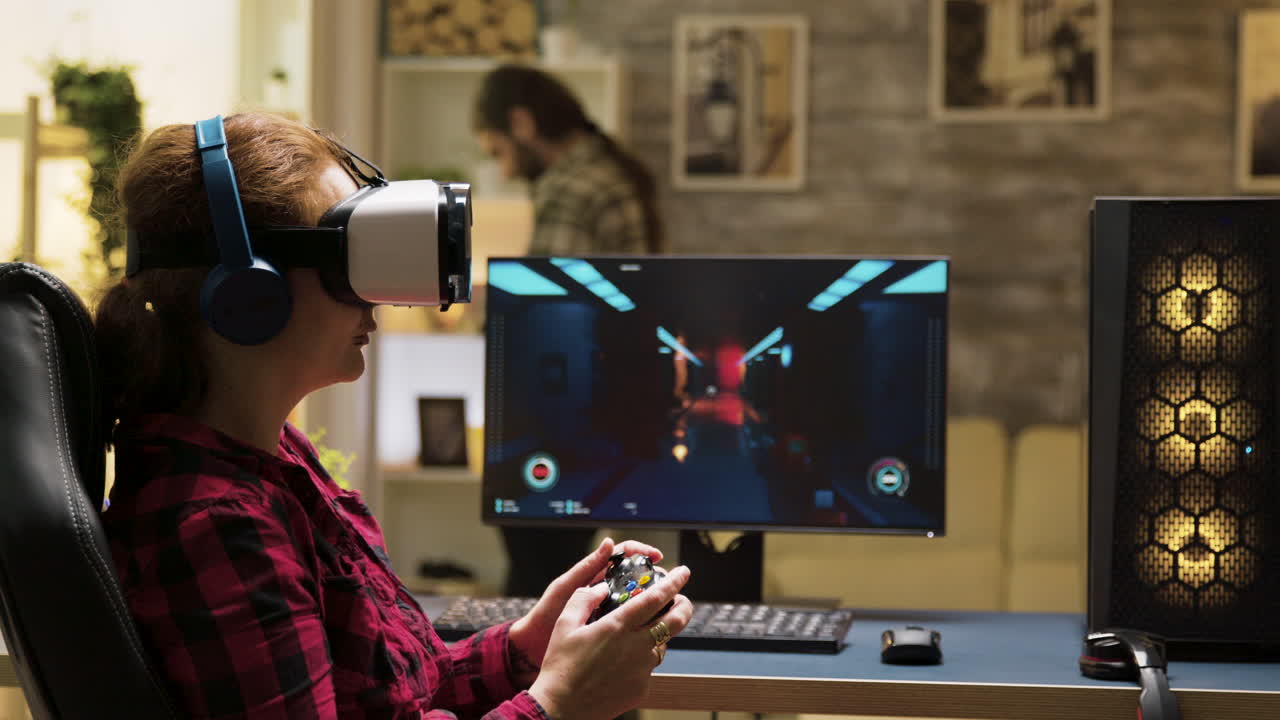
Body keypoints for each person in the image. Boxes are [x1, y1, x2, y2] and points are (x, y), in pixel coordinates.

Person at [94, 111, 692, 719]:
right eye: (346, 260)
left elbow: (397, 698)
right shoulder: (217, 525)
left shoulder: (278, 461)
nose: (375, 295)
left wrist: (523, 650)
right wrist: (558, 703)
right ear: (251, 291)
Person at [473, 64, 667, 599]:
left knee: (538, 573)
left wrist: (488, 309)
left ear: (522, 123)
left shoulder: (572, 185)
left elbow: (539, 311)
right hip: (612, 400)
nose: (506, 170)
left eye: (498, 150)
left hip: (569, 408)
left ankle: (531, 673)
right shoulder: (607, 172)